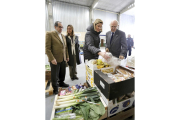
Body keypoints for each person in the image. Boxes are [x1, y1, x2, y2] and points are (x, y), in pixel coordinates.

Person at [45, 21, 69, 95]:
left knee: (62, 72)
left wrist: (67, 56)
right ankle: (55, 88)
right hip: (54, 59)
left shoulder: (63, 36)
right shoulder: (50, 34)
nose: (61, 28)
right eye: (59, 27)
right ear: (55, 27)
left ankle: (61, 83)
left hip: (63, 58)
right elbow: (47, 48)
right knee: (55, 75)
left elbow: (65, 48)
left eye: (62, 27)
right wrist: (52, 58)